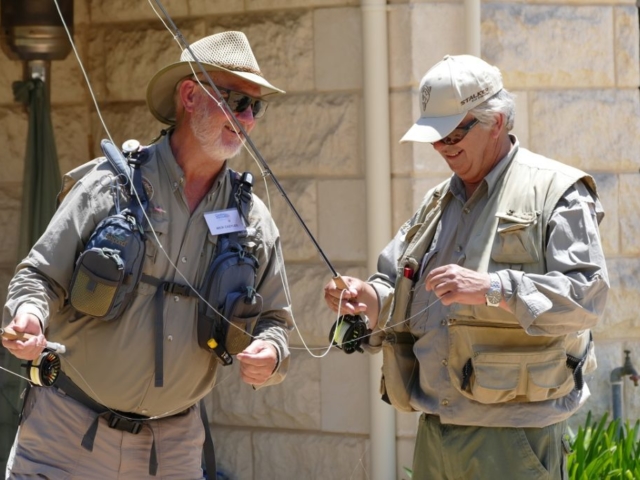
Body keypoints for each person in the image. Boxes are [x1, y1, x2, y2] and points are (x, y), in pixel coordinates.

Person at [2, 31, 293, 479]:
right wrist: (29, 316)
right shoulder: (108, 185)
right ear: (190, 95)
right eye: (236, 100)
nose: (248, 118)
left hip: (173, 450)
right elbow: (38, 277)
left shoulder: (251, 217)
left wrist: (271, 353)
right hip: (65, 433)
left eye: (256, 106)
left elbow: (275, 319)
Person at [324, 54, 608, 479]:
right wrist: (367, 299)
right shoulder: (436, 202)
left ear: (496, 121)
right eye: (434, 137)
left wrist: (495, 288)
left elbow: (586, 297)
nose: (444, 147)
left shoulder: (557, 191)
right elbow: (399, 293)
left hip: (514, 438)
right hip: (436, 431)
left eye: (455, 131)